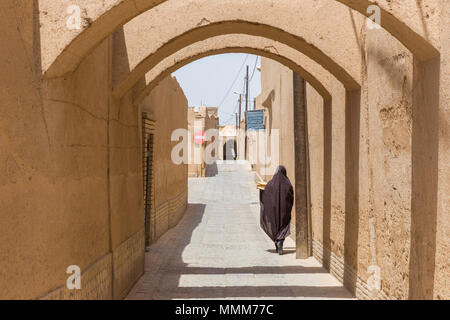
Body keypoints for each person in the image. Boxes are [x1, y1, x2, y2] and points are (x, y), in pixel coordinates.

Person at [259, 165, 294, 255]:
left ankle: (277, 243)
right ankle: (280, 242)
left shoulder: (271, 184)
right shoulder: (288, 184)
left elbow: (266, 192)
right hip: (284, 212)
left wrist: (261, 192)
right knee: (284, 226)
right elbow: (291, 196)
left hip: (273, 212)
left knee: (274, 226)